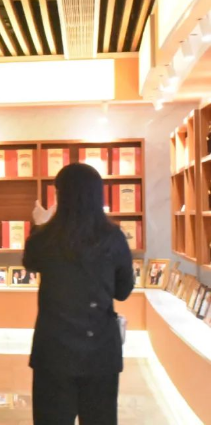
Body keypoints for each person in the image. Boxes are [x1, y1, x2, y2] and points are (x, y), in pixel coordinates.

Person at [23, 163, 135, 425]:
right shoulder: (113, 237)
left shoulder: (46, 238)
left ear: (59, 195)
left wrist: (40, 224)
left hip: (53, 350)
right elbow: (123, 291)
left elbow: (30, 262)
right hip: (100, 350)